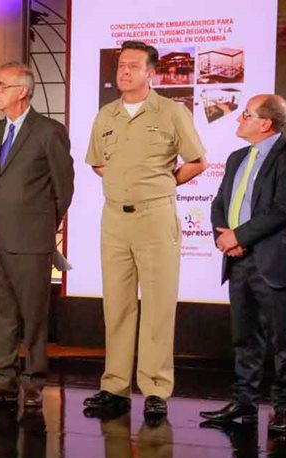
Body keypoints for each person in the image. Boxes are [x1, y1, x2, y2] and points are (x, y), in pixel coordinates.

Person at [82, 41, 207, 418]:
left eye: (133, 66)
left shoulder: (171, 112)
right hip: (114, 219)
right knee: (117, 306)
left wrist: (162, 184)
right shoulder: (106, 115)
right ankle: (115, 386)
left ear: (150, 73)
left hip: (155, 217)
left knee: (157, 305)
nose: (124, 72)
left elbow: (198, 162)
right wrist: (125, 181)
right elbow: (97, 164)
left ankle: (156, 388)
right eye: (121, 65)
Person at [200, 94, 286, 434]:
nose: (239, 120)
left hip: (277, 260)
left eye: (246, 115)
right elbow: (219, 203)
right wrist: (224, 238)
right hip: (238, 262)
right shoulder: (237, 157)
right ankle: (244, 402)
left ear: (265, 123)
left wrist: (239, 236)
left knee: (285, 340)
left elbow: (283, 210)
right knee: (244, 337)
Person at [0, 62, 74, 407]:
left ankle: (34, 380)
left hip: (31, 239)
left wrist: (43, 226)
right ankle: (3, 378)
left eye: (2, 85)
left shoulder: (48, 131)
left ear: (23, 91)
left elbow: (64, 188)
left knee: (33, 314)